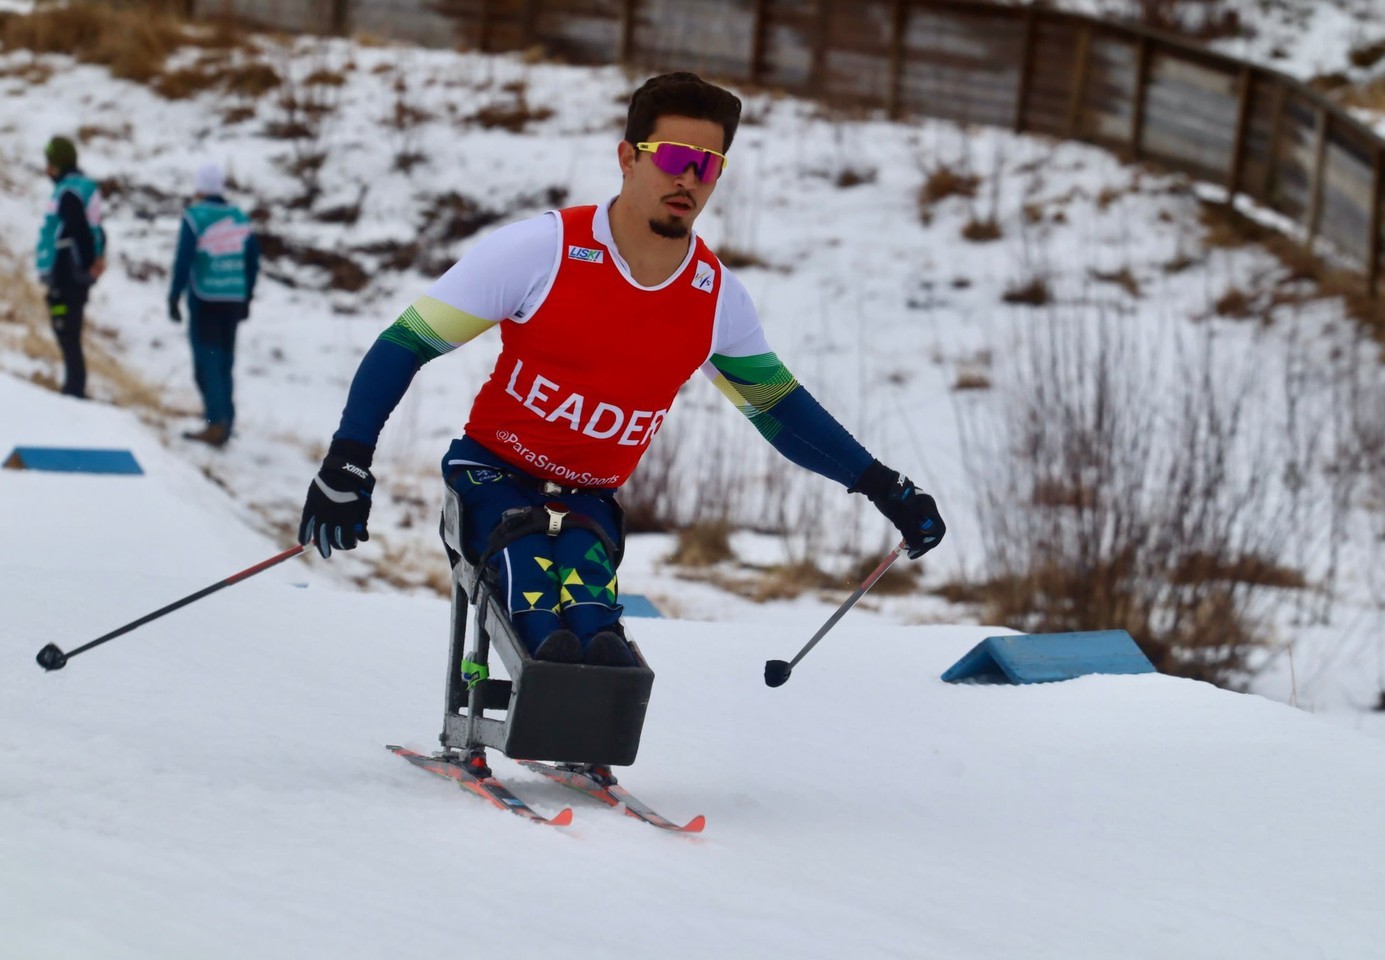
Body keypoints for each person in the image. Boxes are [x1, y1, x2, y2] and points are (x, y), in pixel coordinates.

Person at [298, 72, 945, 670]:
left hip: (588, 499)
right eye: (670, 157)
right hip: (491, 477)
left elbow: (779, 409)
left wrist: (885, 486)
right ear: (628, 157)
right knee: (530, 603)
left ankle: (588, 735)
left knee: (594, 628)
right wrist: (348, 460)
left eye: (707, 166)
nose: (687, 179)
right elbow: (406, 341)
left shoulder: (715, 298)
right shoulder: (541, 250)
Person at [167, 162, 260, 447]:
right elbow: (252, 262)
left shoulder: (195, 217)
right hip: (232, 298)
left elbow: (184, 259)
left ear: (199, 187)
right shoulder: (241, 218)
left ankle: (216, 423)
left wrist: (174, 296)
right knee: (225, 362)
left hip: (205, 298)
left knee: (206, 362)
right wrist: (246, 297)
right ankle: (226, 420)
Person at [35, 136, 106, 399]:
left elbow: (80, 231)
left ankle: (74, 389)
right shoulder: (81, 187)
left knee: (66, 327)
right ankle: (73, 385)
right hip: (71, 273)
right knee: (67, 327)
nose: (47, 169)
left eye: (50, 164)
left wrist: (88, 266)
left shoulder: (69, 192)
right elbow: (96, 228)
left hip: (67, 273)